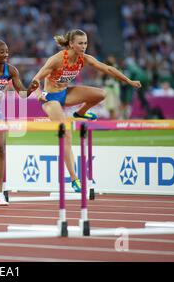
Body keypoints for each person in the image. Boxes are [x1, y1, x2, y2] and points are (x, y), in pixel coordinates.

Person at [30, 29, 141, 192]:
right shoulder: (56, 60)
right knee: (66, 132)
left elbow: (108, 69)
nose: (84, 46)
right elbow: (35, 80)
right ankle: (74, 179)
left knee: (101, 94)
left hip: (66, 94)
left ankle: (80, 113)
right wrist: (39, 94)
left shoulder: (85, 59)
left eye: (86, 43)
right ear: (71, 44)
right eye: (80, 43)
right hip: (51, 99)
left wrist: (129, 81)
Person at [0, 39, 39, 205]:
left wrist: (31, 89)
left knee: (0, 150)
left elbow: (23, 95)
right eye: (2, 52)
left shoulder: (11, 70)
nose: (6, 55)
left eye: (7, 52)